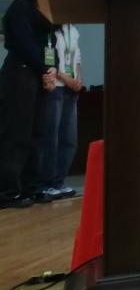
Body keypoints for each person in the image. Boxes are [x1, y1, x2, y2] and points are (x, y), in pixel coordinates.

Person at [0, 0, 57, 209]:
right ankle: (8, 192)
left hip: (39, 76)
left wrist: (51, 69)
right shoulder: (19, 9)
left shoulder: (43, 13)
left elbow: (49, 44)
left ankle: (30, 188)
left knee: (37, 135)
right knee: (17, 135)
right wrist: (45, 70)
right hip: (20, 74)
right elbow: (25, 45)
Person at [34, 23, 83, 200]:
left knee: (69, 138)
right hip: (55, 87)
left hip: (71, 90)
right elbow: (49, 61)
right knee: (51, 137)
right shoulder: (49, 30)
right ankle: (44, 183)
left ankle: (59, 181)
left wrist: (79, 78)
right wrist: (66, 78)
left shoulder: (73, 30)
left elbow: (77, 58)